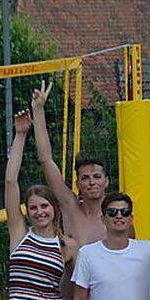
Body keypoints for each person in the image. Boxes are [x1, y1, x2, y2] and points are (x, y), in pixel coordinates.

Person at [1, 106, 80, 300]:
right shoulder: (20, 235)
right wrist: (21, 134)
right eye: (33, 208)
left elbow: (76, 290)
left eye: (44, 206)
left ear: (54, 208)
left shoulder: (67, 245)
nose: (39, 212)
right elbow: (11, 181)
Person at [31, 80, 111, 245]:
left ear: (106, 181)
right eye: (85, 178)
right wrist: (38, 110)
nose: (91, 182)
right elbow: (45, 160)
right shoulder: (71, 207)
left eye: (96, 176)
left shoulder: (118, 214)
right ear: (77, 183)